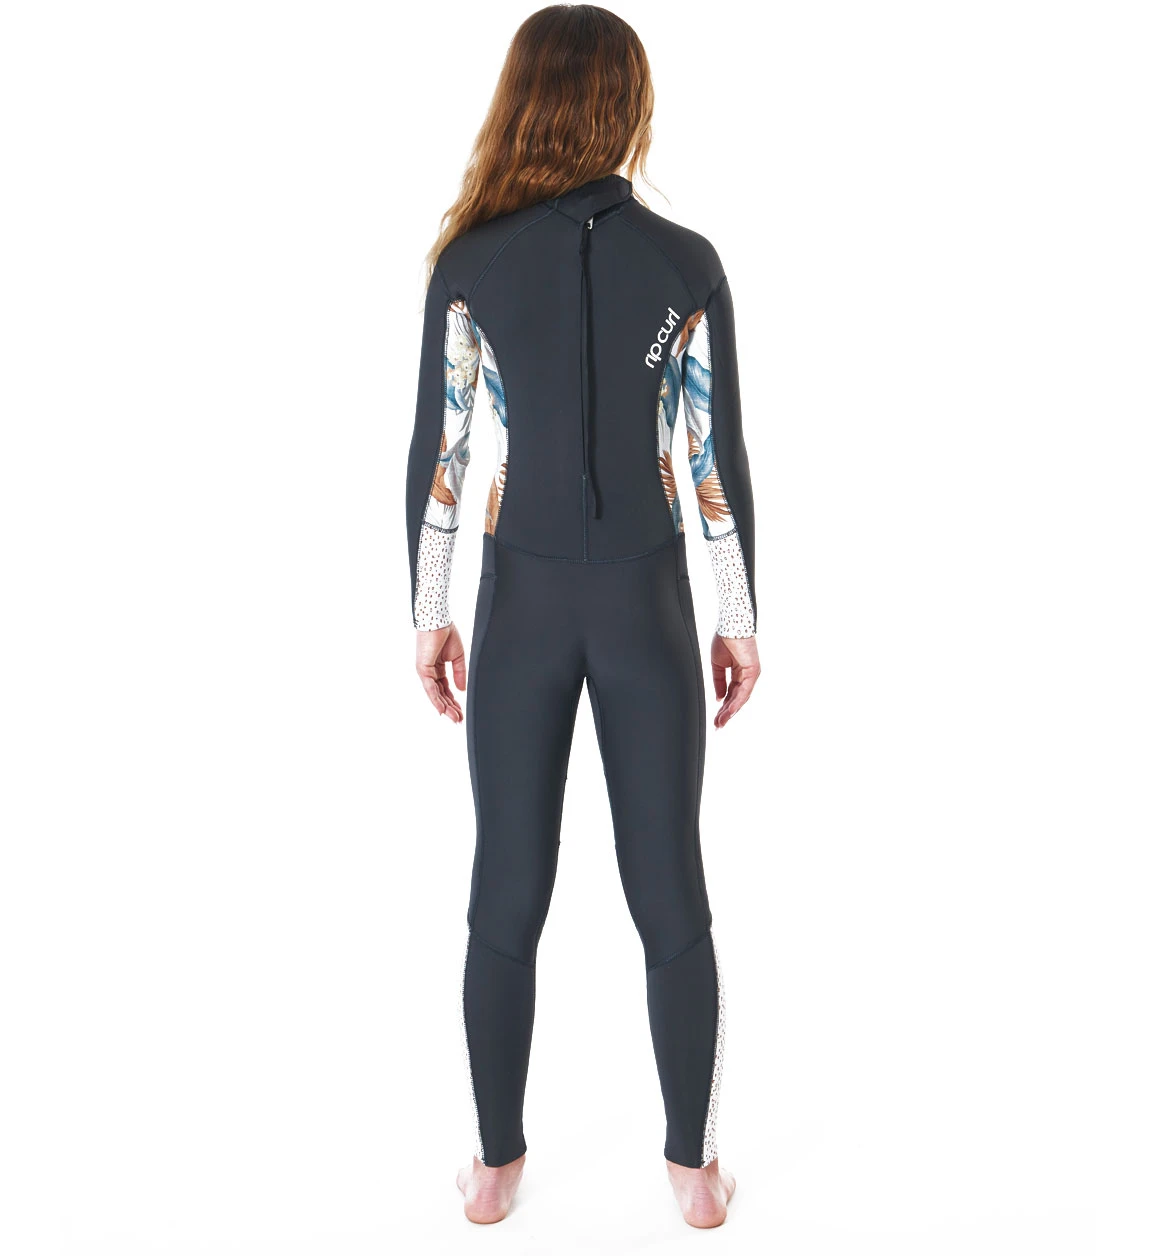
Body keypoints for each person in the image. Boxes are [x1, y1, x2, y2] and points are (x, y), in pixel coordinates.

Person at [404, 4, 760, 1229]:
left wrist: (428, 612)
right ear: (624, 106)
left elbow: (442, 457)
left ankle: (493, 1170)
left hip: (520, 603)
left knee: (505, 886)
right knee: (670, 890)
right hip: (647, 602)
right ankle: (693, 1176)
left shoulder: (471, 261)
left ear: (524, 103)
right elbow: (712, 463)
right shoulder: (685, 262)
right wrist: (736, 616)